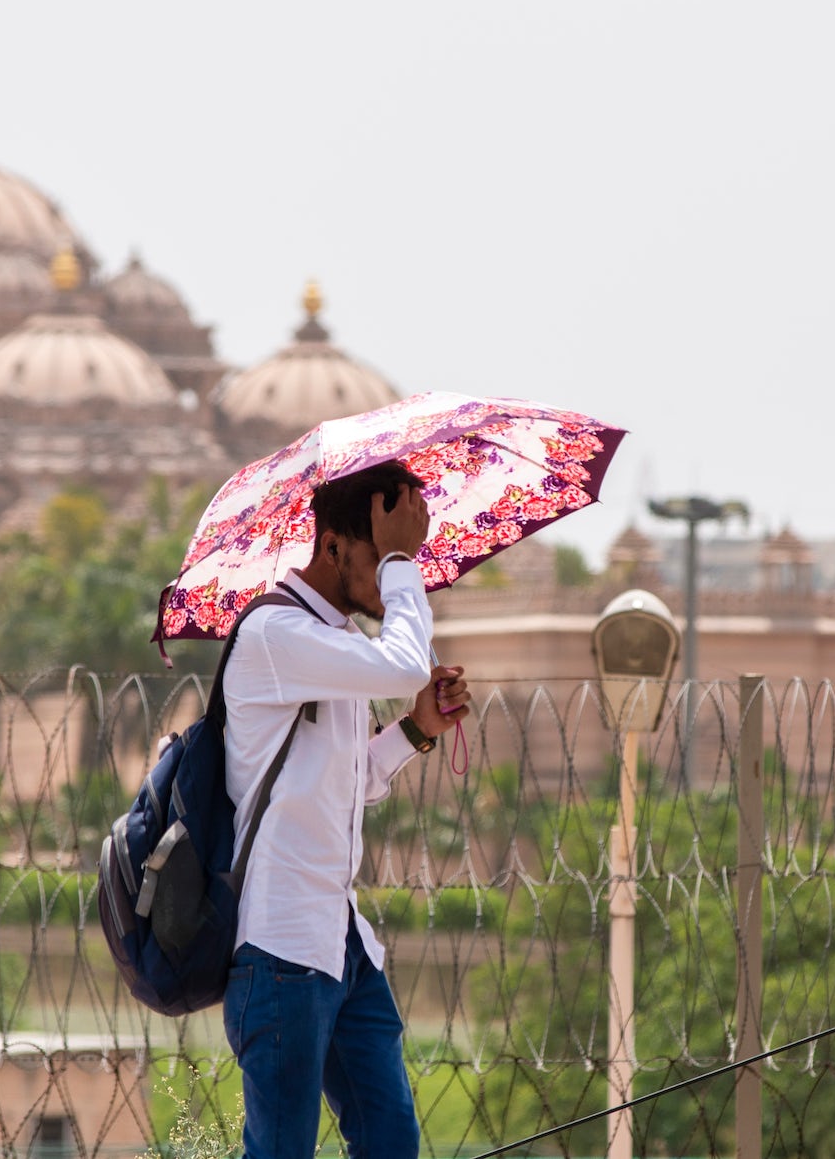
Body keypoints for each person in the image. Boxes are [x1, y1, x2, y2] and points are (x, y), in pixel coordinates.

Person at [220, 460, 469, 1159]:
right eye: (383, 551)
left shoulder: (330, 644)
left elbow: (341, 781)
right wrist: (399, 561)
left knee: (391, 1141)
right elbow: (402, 666)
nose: (396, 575)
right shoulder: (276, 636)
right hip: (282, 948)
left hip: (341, 941)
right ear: (333, 546)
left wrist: (417, 729)